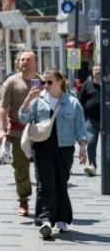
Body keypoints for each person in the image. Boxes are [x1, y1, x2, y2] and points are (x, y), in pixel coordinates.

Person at [19, 69, 87, 237]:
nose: (45, 85)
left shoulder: (72, 102)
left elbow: (80, 128)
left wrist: (83, 148)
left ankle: (62, 218)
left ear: (60, 82)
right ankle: (45, 220)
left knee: (61, 183)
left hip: (64, 148)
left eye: (49, 82)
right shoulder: (37, 100)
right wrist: (28, 99)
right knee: (44, 184)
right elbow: (23, 118)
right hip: (41, 147)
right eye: (43, 82)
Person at [0, 50, 42, 217]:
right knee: (21, 169)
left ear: (36, 64)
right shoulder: (11, 82)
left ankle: (43, 201)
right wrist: (1, 130)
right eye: (22, 59)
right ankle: (23, 200)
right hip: (16, 132)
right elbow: (3, 108)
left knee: (41, 169)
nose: (24, 62)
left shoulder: (42, 81)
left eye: (28, 59)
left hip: (38, 133)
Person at [79, 63, 101, 176]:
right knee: (91, 141)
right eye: (95, 70)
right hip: (91, 119)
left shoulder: (107, 84)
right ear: (92, 72)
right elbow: (80, 100)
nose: (97, 72)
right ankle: (92, 165)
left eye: (99, 70)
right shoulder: (87, 85)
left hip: (106, 120)